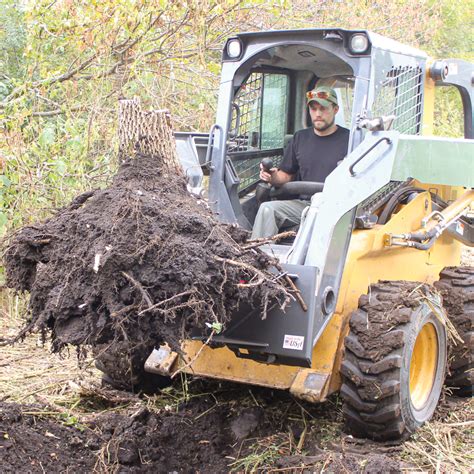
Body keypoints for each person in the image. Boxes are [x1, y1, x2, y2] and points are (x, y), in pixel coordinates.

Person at [251, 86, 350, 239]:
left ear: (335, 109)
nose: (318, 114)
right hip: (304, 205)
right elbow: (286, 176)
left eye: (323, 109)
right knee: (267, 209)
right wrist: (271, 176)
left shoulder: (350, 140)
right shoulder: (300, 138)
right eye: (313, 108)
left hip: (337, 208)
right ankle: (258, 257)